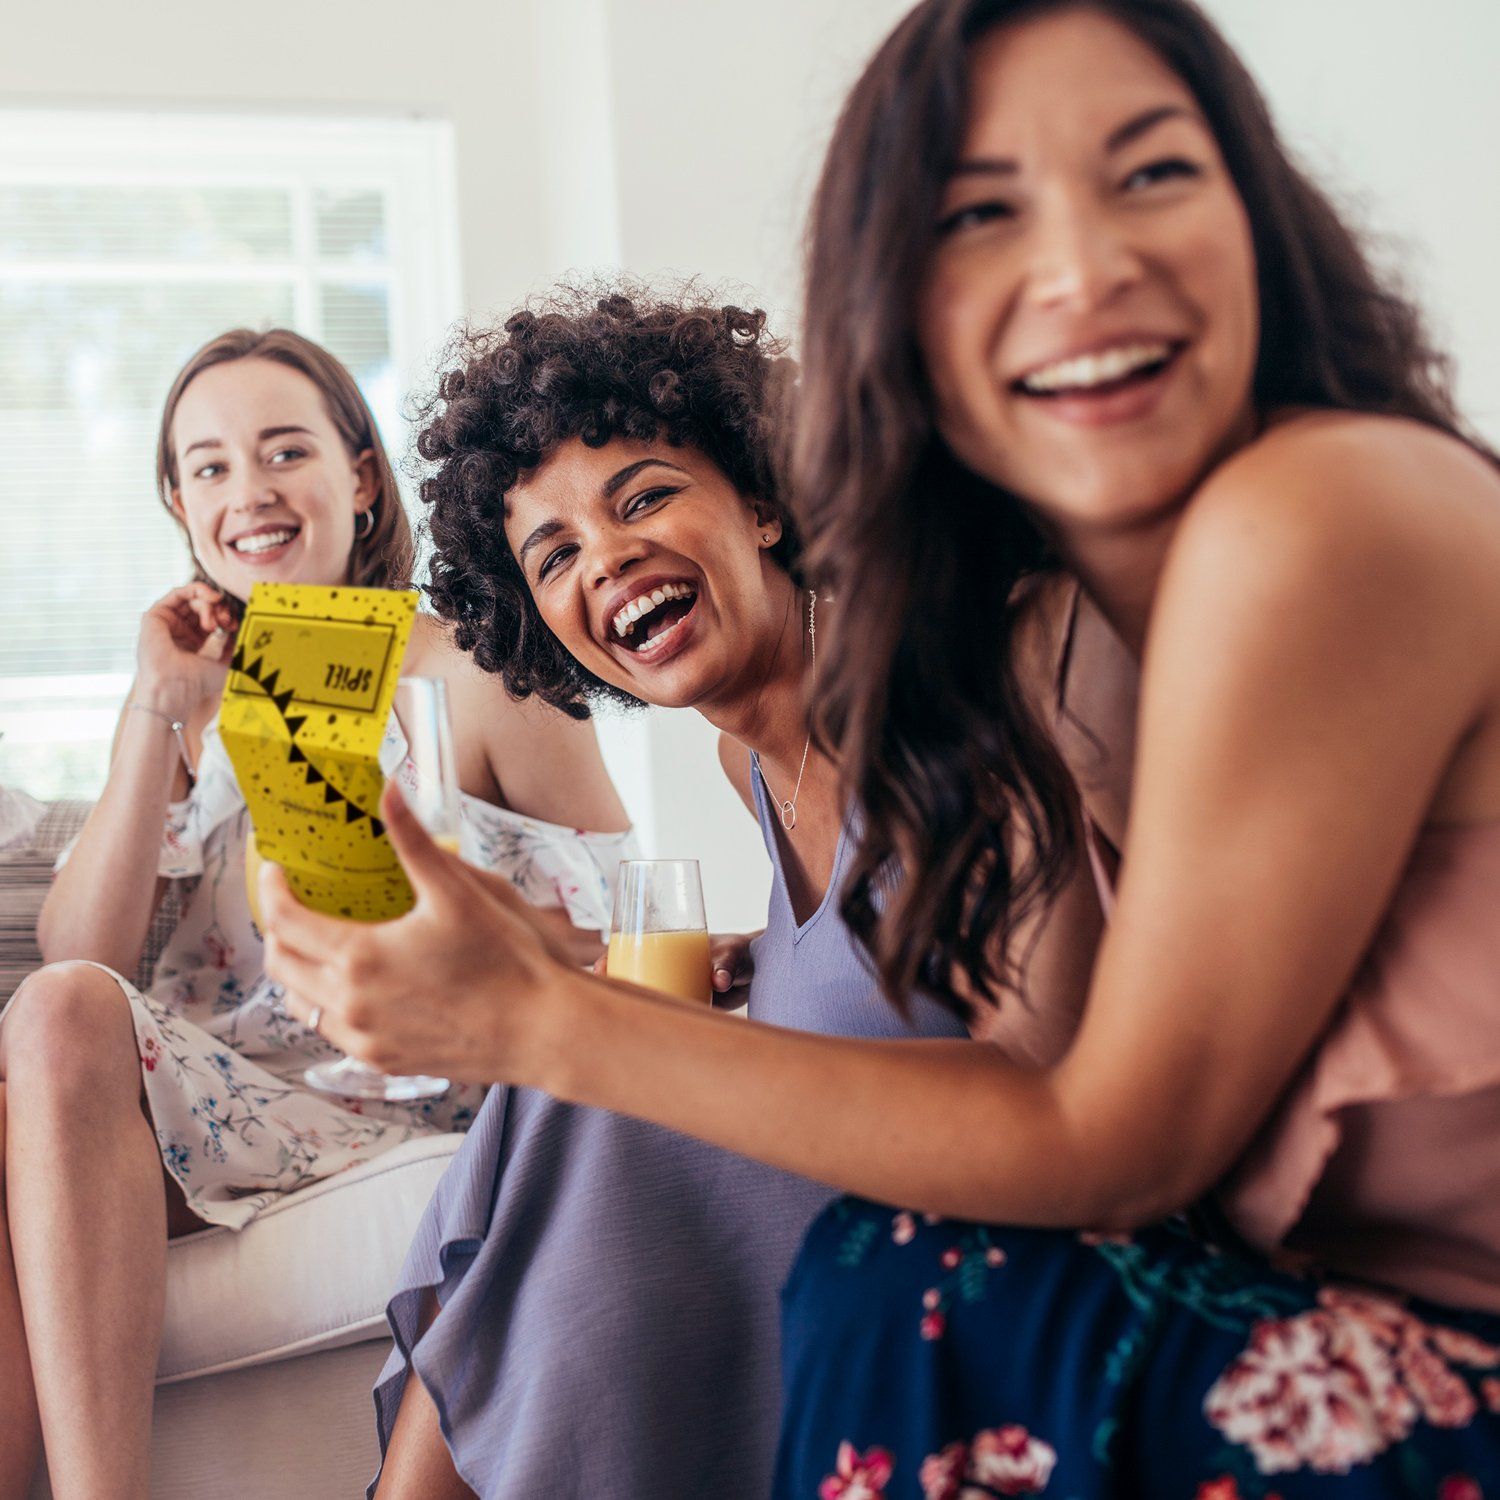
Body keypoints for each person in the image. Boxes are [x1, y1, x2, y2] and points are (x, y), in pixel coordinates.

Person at [262, 1, 1500, 1493]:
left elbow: (1103, 1126)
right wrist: (582, 994)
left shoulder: (1271, 534)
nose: (1082, 266)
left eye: (1154, 172)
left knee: (869, 1263)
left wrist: (539, 1014)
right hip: (1293, 1285)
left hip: (1391, 1334)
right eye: (983, 214)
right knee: (638, 1155)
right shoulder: (1060, 630)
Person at [359, 289, 972, 1499]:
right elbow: (893, 938)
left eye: (642, 497)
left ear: (761, 496)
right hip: (841, 1190)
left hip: (955, 1215)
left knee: (573, 1094)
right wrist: (767, 949)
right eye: (556, 554)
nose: (611, 557)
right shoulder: (742, 756)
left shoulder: (926, 697)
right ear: (541, 617)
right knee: (559, 1097)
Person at [0, 327, 631, 1500]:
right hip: (229, 1103)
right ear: (181, 507)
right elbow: (76, 958)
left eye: (285, 451)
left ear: (359, 476)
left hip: (416, 1087)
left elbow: (628, 938)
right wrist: (155, 710)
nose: (250, 491)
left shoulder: (482, 675)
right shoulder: (193, 699)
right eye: (209, 468)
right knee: (49, 1024)